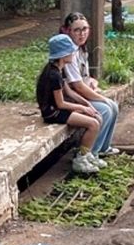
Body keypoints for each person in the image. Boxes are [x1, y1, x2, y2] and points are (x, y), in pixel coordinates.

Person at [38, 34, 103, 174]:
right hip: (53, 113)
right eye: (71, 52)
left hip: (59, 108)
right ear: (63, 55)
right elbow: (60, 104)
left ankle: (88, 154)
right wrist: (81, 108)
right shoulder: (53, 75)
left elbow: (70, 92)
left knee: (97, 117)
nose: (73, 54)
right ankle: (81, 159)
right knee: (93, 124)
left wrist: (87, 105)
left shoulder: (59, 69)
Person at [60, 13, 120, 159]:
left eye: (85, 29)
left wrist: (92, 81)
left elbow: (83, 78)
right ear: (68, 31)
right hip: (71, 99)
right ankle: (90, 153)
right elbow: (77, 86)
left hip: (81, 95)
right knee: (104, 110)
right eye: (77, 30)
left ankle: (103, 148)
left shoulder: (81, 49)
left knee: (113, 106)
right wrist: (100, 98)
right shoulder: (69, 52)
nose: (82, 33)